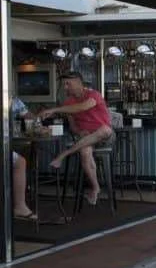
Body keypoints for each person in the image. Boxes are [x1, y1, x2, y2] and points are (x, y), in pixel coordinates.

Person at [39, 72, 113, 206]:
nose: (65, 87)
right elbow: (73, 127)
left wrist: (55, 109)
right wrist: (80, 131)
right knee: (84, 153)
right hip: (86, 137)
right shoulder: (68, 103)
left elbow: (83, 106)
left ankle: (64, 154)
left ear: (79, 83)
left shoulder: (93, 94)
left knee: (105, 129)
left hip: (104, 136)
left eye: (68, 84)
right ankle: (96, 187)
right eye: (64, 85)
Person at [11, 97, 36, 220]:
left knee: (20, 160)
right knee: (20, 162)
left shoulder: (14, 100)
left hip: (6, 144)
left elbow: (29, 117)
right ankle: (19, 206)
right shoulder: (11, 100)